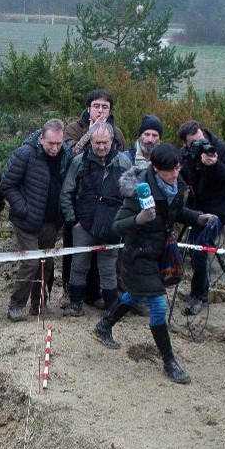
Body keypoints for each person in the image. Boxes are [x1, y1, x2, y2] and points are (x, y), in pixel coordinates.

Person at [93, 143, 216, 384]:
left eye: (178, 168)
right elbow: (117, 225)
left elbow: (177, 212)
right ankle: (169, 361)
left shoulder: (176, 185)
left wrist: (199, 218)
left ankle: (104, 324)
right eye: (170, 170)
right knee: (158, 304)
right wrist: (138, 219)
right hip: (137, 255)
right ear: (156, 168)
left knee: (134, 295)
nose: (175, 174)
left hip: (160, 253)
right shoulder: (140, 191)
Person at [0, 120, 73, 321]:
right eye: (51, 143)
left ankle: (39, 304)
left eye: (58, 143)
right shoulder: (25, 154)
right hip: (26, 220)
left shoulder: (67, 154)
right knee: (31, 262)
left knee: (46, 263)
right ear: (42, 139)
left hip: (51, 220)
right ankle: (16, 306)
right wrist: (22, 208)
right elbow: (7, 184)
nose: (55, 148)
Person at [59, 124, 130, 317]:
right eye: (97, 142)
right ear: (90, 141)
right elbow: (66, 193)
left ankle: (111, 308)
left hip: (112, 225)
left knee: (108, 268)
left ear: (112, 141)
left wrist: (124, 223)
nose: (100, 146)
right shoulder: (78, 162)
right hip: (84, 224)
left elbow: (131, 197)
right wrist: (74, 221)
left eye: (104, 142)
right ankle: (75, 304)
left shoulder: (124, 162)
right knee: (79, 265)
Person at [176, 120, 225, 314]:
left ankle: (199, 295)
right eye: (194, 142)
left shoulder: (221, 149)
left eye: (201, 139)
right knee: (189, 247)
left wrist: (214, 165)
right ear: (186, 144)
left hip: (218, 210)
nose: (200, 144)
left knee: (199, 250)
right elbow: (184, 177)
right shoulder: (187, 154)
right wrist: (191, 162)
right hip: (196, 208)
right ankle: (192, 288)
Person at [62, 88, 128, 153]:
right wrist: (89, 135)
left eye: (104, 107)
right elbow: (71, 156)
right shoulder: (73, 129)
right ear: (88, 109)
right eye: (96, 106)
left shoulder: (117, 133)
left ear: (109, 112)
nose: (100, 110)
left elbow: (124, 159)